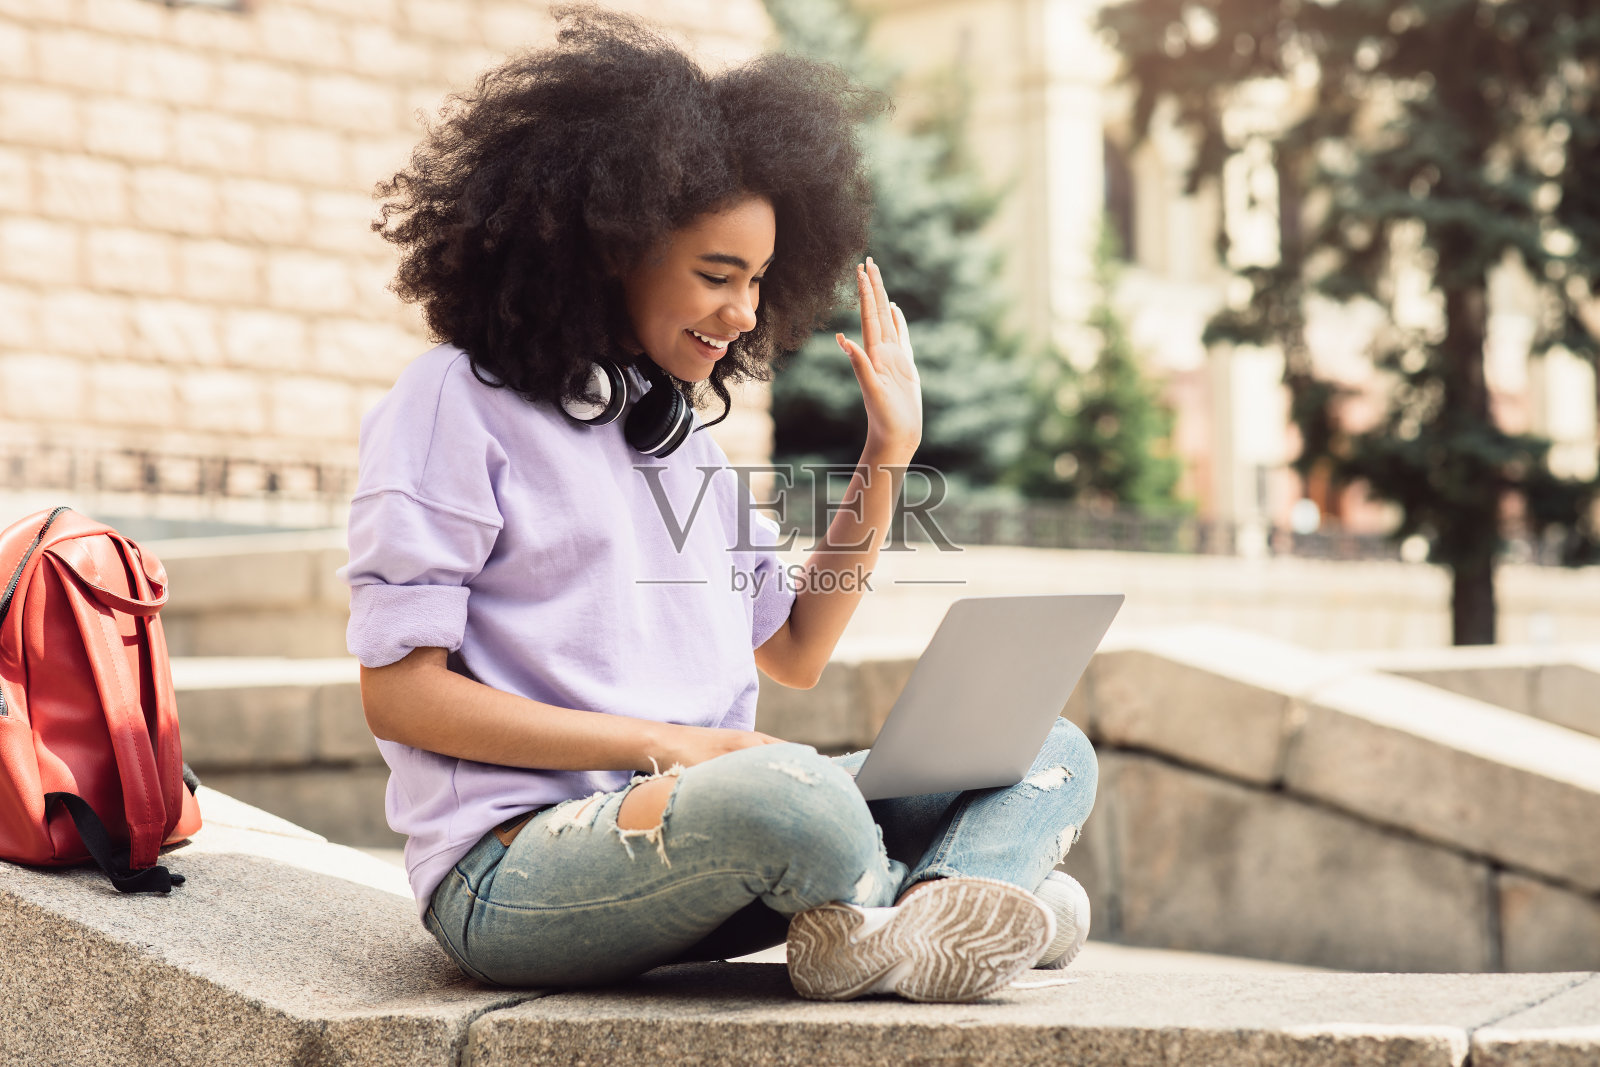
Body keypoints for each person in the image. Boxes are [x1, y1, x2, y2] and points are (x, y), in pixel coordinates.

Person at [342, 8, 1098, 1003]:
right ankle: (953, 896)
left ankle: (927, 909)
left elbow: (792, 647)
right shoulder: (452, 401)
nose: (744, 313)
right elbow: (400, 694)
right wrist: (679, 748)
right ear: (612, 247)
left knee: (1044, 747)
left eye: (757, 281)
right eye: (716, 274)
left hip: (714, 818)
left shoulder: (679, 439)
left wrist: (885, 455)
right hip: (519, 865)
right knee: (802, 802)